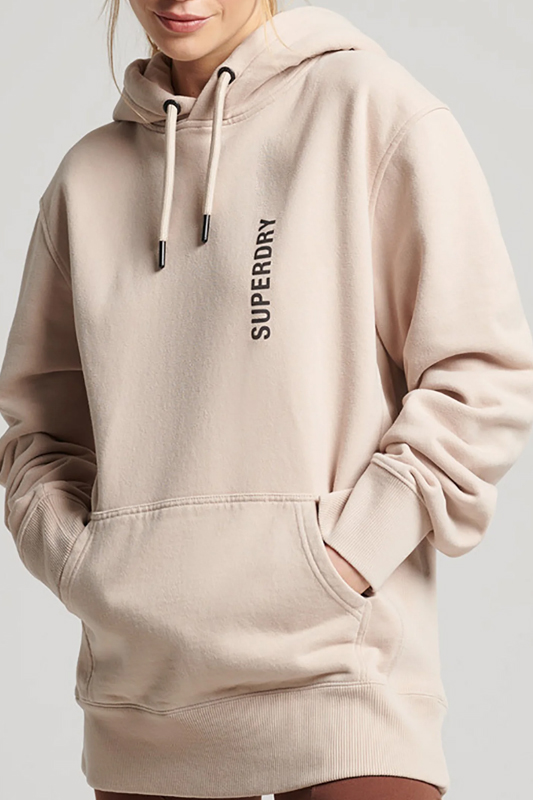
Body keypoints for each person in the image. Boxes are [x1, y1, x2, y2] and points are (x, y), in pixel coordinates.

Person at [1, 0, 532, 798]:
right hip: (145, 709)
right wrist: (89, 569)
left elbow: (480, 374)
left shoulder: (368, 109)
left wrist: (343, 559)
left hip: (340, 683)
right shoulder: (86, 180)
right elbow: (39, 432)